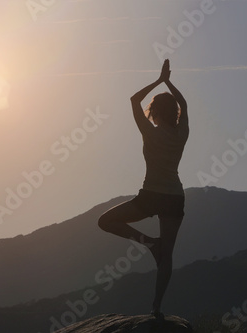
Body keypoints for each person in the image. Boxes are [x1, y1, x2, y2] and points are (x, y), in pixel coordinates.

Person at [98, 59, 189, 319]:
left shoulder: (149, 132)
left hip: (150, 196)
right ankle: (156, 307)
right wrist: (169, 83)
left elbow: (133, 99)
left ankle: (149, 243)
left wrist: (159, 80)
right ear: (174, 113)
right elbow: (184, 104)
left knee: (105, 221)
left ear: (155, 113)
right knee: (167, 256)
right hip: (174, 197)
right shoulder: (182, 132)